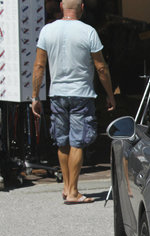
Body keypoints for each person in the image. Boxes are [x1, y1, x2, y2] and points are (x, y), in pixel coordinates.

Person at [31, 0, 116, 204]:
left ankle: (67, 187)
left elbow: (39, 66)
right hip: (82, 94)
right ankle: (74, 192)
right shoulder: (88, 32)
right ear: (82, 8)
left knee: (62, 141)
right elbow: (101, 67)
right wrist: (110, 94)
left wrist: (35, 96)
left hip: (57, 93)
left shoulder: (47, 31)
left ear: (61, 6)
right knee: (77, 141)